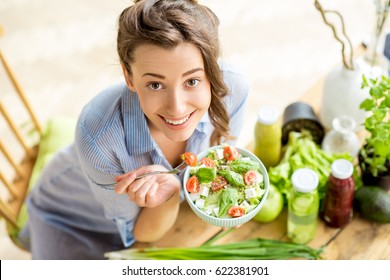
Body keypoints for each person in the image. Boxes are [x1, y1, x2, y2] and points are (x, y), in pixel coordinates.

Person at [19, 0, 249, 259]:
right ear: (129, 77)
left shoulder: (233, 89)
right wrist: (171, 192)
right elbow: (142, 235)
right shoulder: (98, 139)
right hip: (71, 219)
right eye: (154, 85)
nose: (177, 108)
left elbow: (221, 157)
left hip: (157, 219)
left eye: (192, 81)